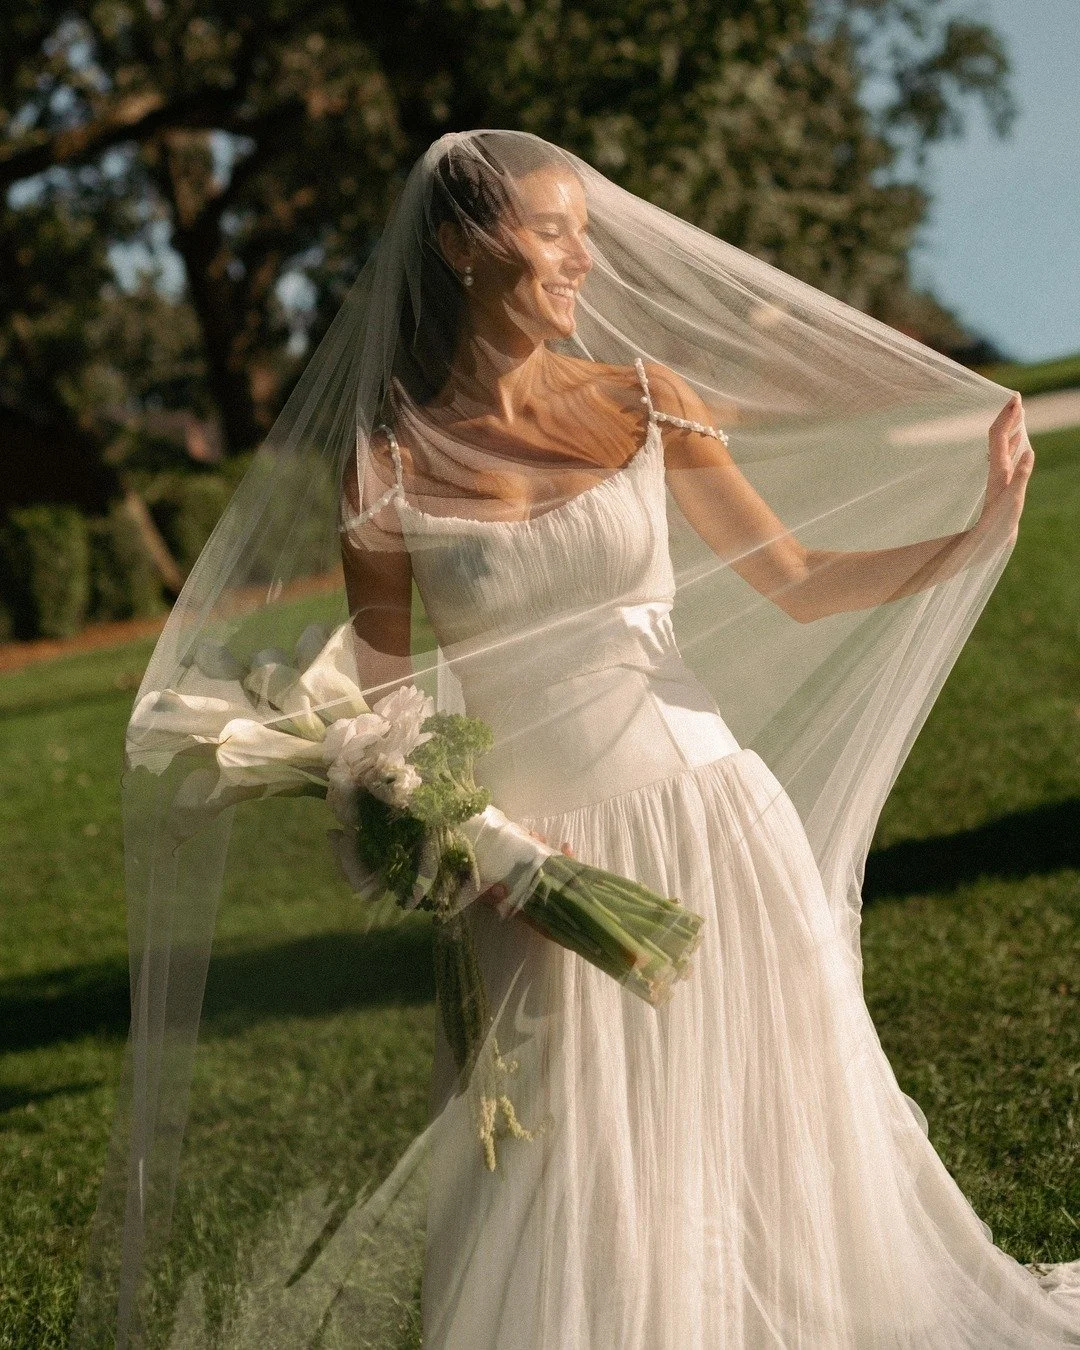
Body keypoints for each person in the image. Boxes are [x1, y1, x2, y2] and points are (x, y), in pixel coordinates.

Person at [69, 130, 1080, 1348]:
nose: (583, 258)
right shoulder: (383, 468)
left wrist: (975, 531)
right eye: (555, 231)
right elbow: (386, 712)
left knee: (767, 1124)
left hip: (710, 813)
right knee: (570, 1163)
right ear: (460, 247)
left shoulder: (645, 397)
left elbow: (801, 580)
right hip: (528, 875)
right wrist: (467, 843)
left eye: (585, 231)